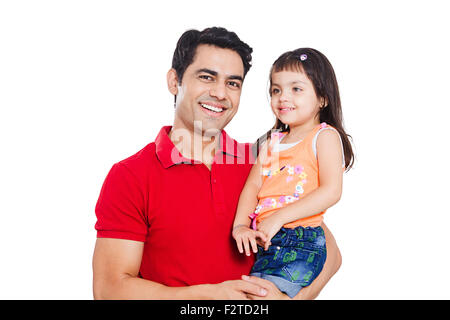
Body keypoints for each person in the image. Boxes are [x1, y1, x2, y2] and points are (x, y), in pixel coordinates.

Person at [92, 27, 342, 300]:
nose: (220, 93)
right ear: (174, 81)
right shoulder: (130, 176)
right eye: (207, 77)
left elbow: (328, 248)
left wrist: (289, 300)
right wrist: (210, 297)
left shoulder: (260, 161)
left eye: (233, 83)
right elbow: (110, 290)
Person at [232, 48, 353, 298]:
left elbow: (331, 191)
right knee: (250, 294)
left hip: (301, 240)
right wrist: (241, 225)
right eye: (276, 90)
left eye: (295, 89)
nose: (282, 97)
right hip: (267, 242)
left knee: (259, 296)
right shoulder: (271, 143)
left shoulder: (324, 136)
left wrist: (278, 218)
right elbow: (252, 187)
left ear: (322, 98)